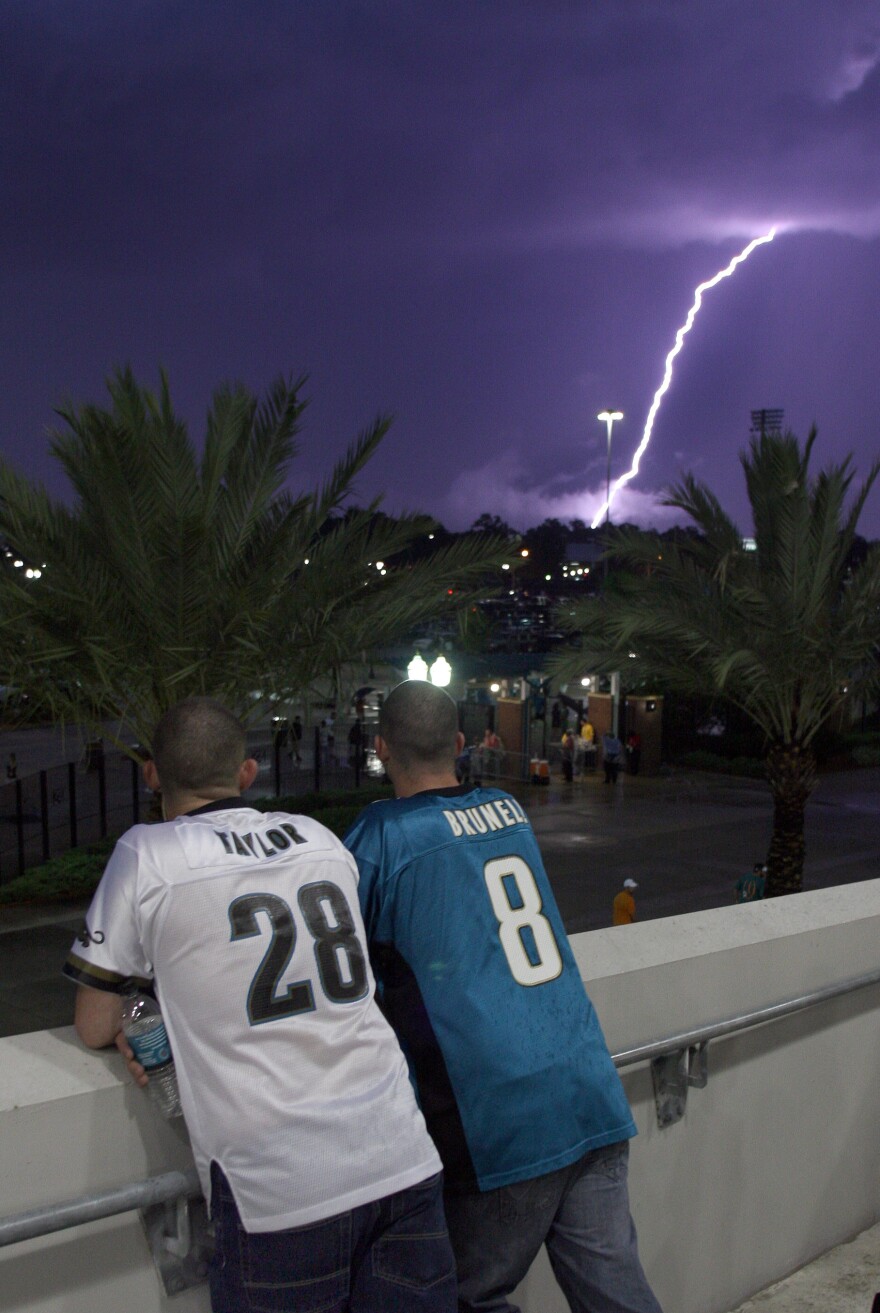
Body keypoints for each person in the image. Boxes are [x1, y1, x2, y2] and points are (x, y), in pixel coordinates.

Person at [63, 696, 456, 1313]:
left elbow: (94, 1023)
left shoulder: (147, 855)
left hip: (280, 1191)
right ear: (246, 774)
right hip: (401, 1154)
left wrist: (152, 1007)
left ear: (152, 774)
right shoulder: (319, 839)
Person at [345, 681, 663, 1313]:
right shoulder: (509, 812)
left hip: (499, 1119)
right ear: (461, 745)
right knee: (617, 1297)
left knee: (464, 1295)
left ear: (381, 750)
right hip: (587, 1088)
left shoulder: (382, 837)